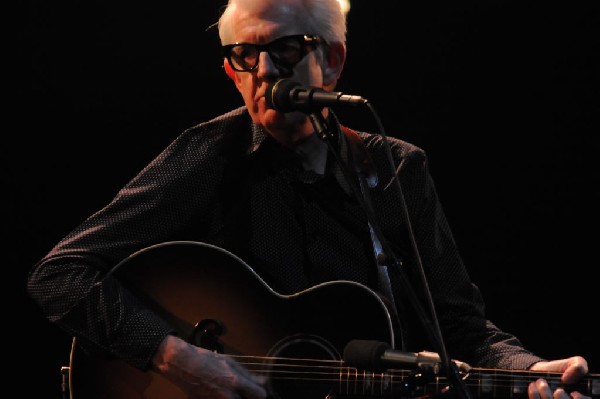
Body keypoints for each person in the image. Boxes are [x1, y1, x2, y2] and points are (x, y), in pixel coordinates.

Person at [26, 0, 592, 398]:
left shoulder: (395, 168)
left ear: (335, 60)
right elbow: (60, 275)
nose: (266, 70)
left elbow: (459, 327)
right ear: (230, 71)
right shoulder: (208, 155)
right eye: (245, 56)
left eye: (288, 48)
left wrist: (530, 369)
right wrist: (179, 357)